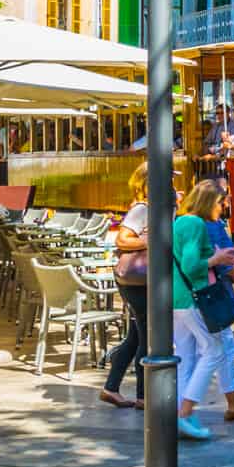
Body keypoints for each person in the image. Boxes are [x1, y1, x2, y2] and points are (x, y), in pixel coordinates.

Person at [170, 179, 234, 439]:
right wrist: (217, 259)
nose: (223, 208)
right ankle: (185, 412)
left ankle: (182, 414)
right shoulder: (196, 224)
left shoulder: (181, 221)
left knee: (186, 357)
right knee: (213, 350)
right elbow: (191, 265)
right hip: (194, 298)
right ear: (210, 202)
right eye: (221, 203)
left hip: (179, 300)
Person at [101, 166, 152, 410]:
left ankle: (110, 388)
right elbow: (122, 239)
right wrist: (151, 239)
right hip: (136, 279)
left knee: (134, 337)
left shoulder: (151, 208)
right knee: (147, 336)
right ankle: (143, 396)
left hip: (139, 280)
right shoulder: (141, 209)